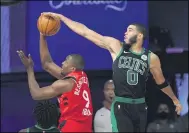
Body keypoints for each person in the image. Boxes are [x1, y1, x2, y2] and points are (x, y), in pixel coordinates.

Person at [41, 12, 182, 132]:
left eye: (130, 29)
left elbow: (161, 82)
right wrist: (62, 18)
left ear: (140, 36)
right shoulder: (116, 47)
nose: (126, 32)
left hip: (139, 104)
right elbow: (85, 31)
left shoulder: (151, 58)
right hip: (121, 103)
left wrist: (175, 99)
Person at [17, 44, 93, 132]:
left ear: (72, 68)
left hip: (71, 127)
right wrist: (43, 35)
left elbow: (36, 94)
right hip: (86, 127)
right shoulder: (82, 76)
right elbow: (47, 64)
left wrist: (29, 69)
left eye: (66, 62)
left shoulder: (66, 84)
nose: (62, 63)